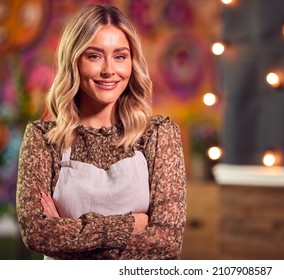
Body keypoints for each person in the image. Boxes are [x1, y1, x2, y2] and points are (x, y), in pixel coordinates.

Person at [16, 4, 186, 260]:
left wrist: (68, 238)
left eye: (120, 56)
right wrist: (131, 224)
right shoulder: (43, 138)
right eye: (94, 56)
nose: (109, 70)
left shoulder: (158, 134)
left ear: (132, 62)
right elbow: (36, 233)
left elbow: (167, 242)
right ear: (74, 61)